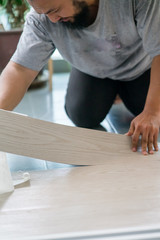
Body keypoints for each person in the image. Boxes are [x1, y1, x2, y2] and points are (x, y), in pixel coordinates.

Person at [0, 0, 160, 156]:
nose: (52, 19)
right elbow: (20, 69)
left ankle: (124, 94)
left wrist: (152, 112)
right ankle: (112, 93)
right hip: (92, 69)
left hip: (141, 68)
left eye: (54, 10)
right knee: (82, 114)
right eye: (44, 13)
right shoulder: (42, 19)